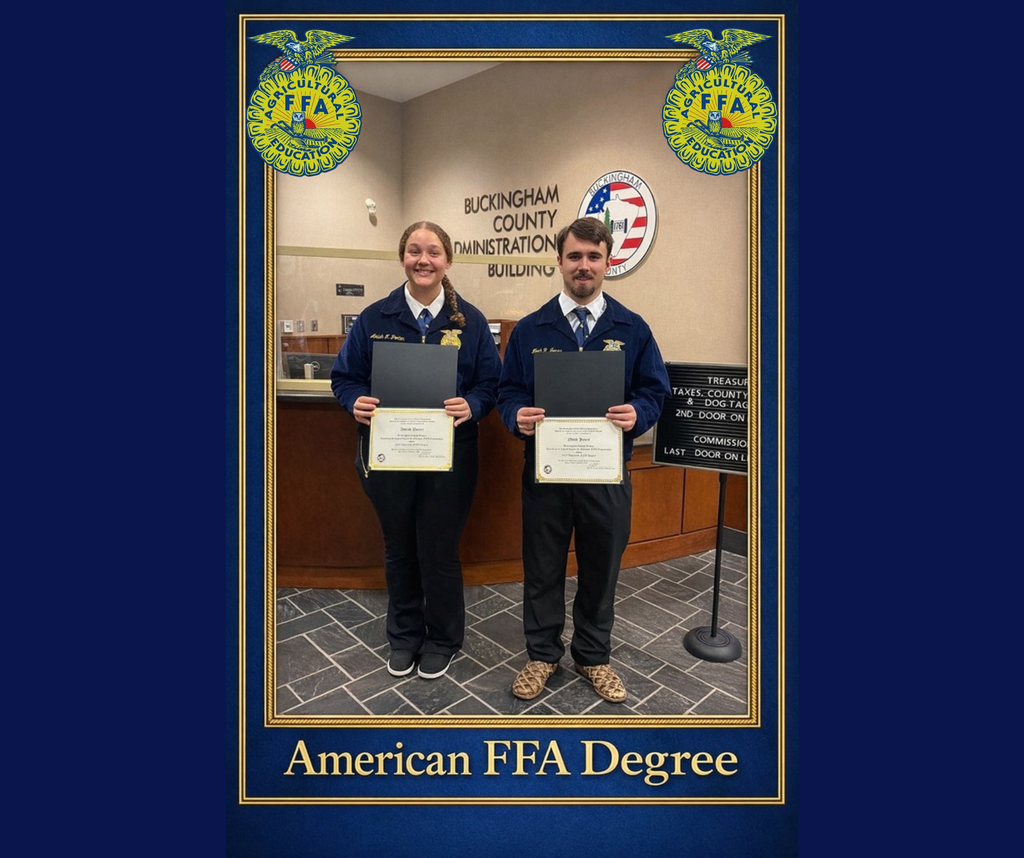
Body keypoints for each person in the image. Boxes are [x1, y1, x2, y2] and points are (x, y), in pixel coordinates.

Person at [496, 217, 670, 704]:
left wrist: (637, 411)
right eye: (574, 256)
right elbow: (508, 391)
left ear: (608, 262)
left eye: (594, 257)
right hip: (546, 474)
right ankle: (542, 653)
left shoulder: (632, 328)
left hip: (606, 475)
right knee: (543, 567)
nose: (584, 266)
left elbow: (655, 391)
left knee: (601, 567)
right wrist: (517, 416)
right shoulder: (531, 329)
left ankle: (592, 655)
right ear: (560, 262)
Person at [331, 221, 501, 680]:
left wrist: (474, 404)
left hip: (451, 457)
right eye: (413, 251)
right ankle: (404, 636)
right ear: (402, 257)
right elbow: (344, 378)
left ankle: (444, 638)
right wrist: (354, 401)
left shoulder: (472, 322)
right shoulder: (374, 318)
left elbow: (492, 383)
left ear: (447, 261)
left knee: (440, 549)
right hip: (388, 455)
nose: (422, 260)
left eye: (432, 252)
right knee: (398, 547)